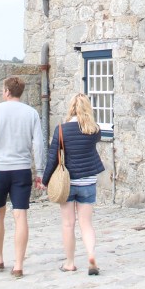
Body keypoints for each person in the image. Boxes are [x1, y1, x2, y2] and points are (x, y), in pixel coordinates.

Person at [0, 76, 45, 278]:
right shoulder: (31, 113)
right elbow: (38, 144)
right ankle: (18, 265)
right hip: (21, 169)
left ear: (7, 91)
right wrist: (40, 171)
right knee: (20, 215)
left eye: (3, 89)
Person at [42, 92, 105, 275]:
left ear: (71, 108)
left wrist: (45, 180)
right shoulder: (94, 130)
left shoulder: (61, 130)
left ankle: (70, 262)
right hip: (88, 180)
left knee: (68, 224)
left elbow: (53, 158)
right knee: (86, 223)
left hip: (68, 182)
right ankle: (91, 256)